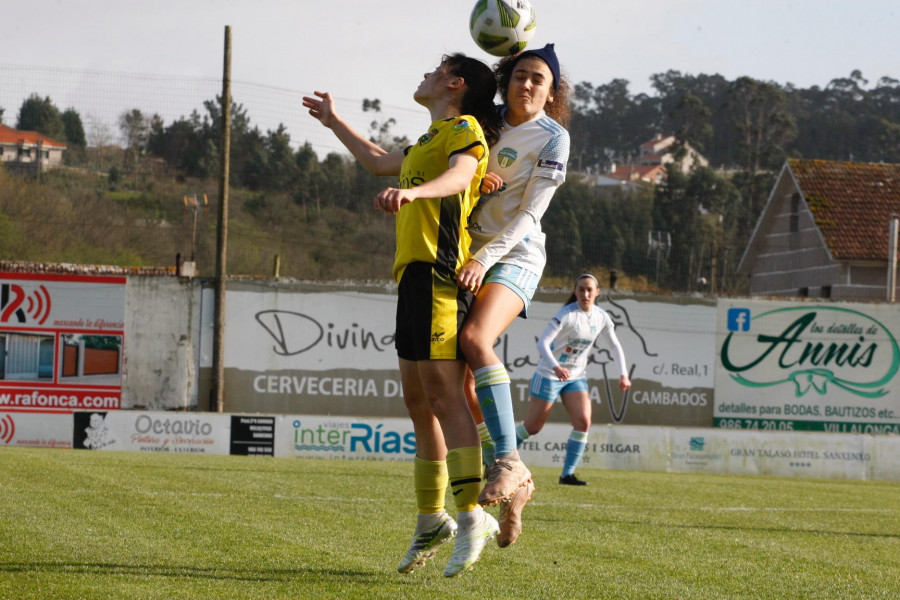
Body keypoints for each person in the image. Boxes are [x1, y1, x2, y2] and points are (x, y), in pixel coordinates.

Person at [302, 53, 502, 578]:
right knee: (418, 403)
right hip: (412, 279)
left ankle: (470, 516)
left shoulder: (465, 129)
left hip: (440, 278)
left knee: (445, 397)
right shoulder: (429, 140)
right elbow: (377, 160)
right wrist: (334, 121)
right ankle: (431, 518)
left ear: (454, 84)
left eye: (435, 71)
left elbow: (462, 177)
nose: (425, 75)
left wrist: (412, 192)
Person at [454, 43, 571, 547]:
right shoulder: (481, 122)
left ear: (551, 92)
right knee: (456, 384)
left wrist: (484, 258)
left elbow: (529, 215)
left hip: (515, 256)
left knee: (477, 340)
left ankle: (505, 459)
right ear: (506, 80)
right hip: (463, 256)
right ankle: (516, 482)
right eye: (520, 75)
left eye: (538, 79)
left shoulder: (553, 137)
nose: (527, 84)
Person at [516, 273, 632, 485]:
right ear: (575, 292)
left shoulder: (601, 317)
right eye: (581, 289)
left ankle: (567, 474)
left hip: (576, 376)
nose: (585, 294)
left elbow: (614, 346)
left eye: (589, 290)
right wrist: (556, 367)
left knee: (583, 422)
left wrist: (623, 374)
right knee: (532, 426)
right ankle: (497, 455)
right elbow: (542, 343)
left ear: (597, 293)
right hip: (549, 374)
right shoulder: (567, 315)